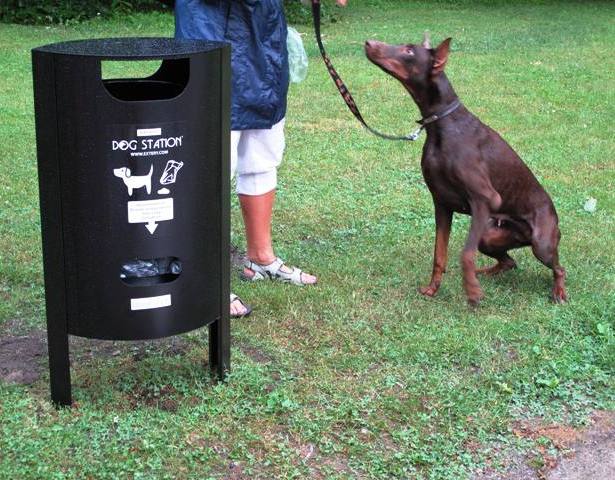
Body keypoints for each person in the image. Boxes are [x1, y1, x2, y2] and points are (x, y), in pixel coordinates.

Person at [174, 0, 347, 318]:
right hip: (212, 35)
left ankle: (260, 258)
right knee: (209, 168)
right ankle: (205, 279)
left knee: (263, 156)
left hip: (262, 42)